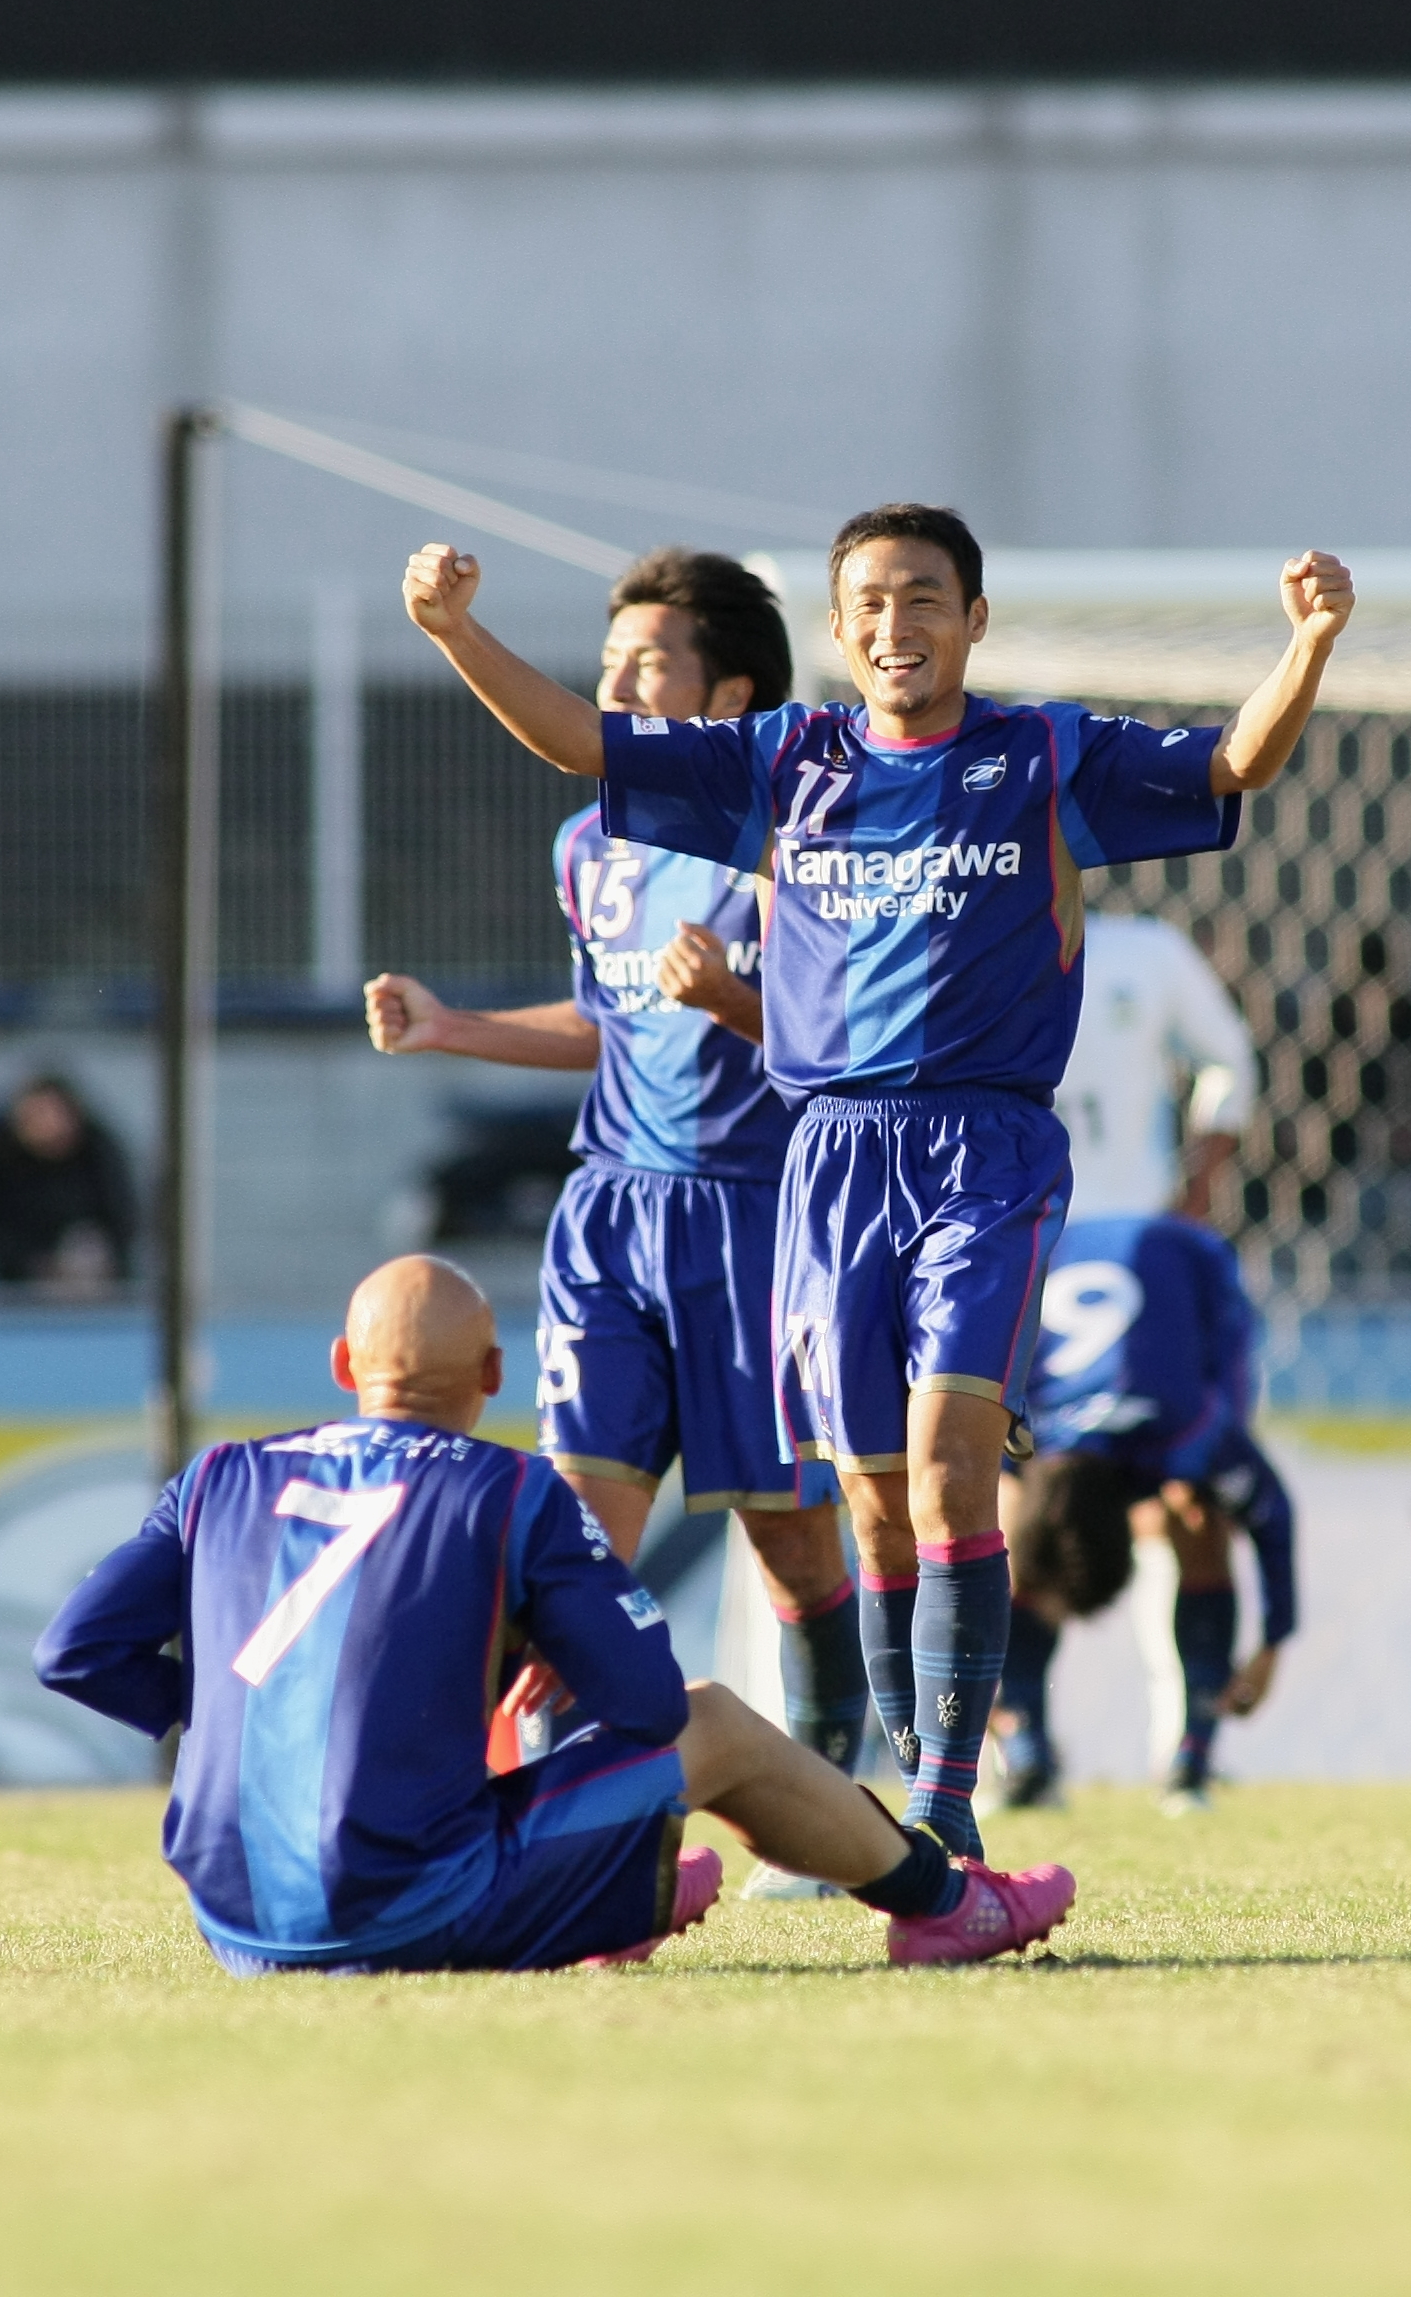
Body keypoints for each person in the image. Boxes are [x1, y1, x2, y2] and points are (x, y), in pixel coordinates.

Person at [403, 501, 1348, 1856]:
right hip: (830, 1157)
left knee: (953, 1471)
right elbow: (578, 741)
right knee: (869, 1508)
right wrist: (456, 632)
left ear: (975, 620)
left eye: (923, 598)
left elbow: (1234, 762)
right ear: (839, 632)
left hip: (986, 1153)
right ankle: (890, 1803)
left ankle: (945, 1811)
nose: (896, 624)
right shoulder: (785, 761)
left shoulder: (1043, 754)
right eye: (871, 604)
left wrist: (1307, 645)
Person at [33, 1254, 1074, 1974]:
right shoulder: (509, 1491)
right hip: (412, 1905)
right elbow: (649, 1704)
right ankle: (946, 1904)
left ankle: (616, 1889)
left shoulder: (217, 1477)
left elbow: (74, 1651)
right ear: (495, 1377)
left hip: (232, 1923)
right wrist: (536, 1637)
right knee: (716, 1721)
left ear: (345, 1368)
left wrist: (229, 1710)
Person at [363, 548, 869, 1900]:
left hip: (759, 1222)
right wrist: (455, 1027)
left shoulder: (801, 840)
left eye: (649, 665)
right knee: (573, 1551)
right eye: (610, 666)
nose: (618, 687)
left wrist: (739, 1003)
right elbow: (606, 1022)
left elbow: (853, 1046)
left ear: (730, 694)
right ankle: (565, 1831)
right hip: (612, 1219)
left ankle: (826, 1807)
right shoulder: (589, 844)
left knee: (792, 1540)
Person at [996, 1211, 1297, 1815]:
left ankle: (1192, 1757)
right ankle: (1026, 1755)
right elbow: (1276, 1516)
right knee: (1008, 1531)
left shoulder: (1189, 1429)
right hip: (1060, 1252)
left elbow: (1269, 1511)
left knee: (1198, 1512)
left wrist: (1272, 1643)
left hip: (1189, 1263)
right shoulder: (1017, 1424)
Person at [1056, 910, 1260, 1223]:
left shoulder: (1146, 951)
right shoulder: (1146, 950)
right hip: (1119, 1222)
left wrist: (1195, 1194)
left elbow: (1228, 1065)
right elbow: (1230, 1063)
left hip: (1119, 1222)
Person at [0, 1071, 137, 1294]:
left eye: (54, 1113)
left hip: (99, 1287)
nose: (47, 1124)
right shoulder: (3, 1161)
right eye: (38, 1115)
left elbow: (124, 1217)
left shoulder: (98, 1154)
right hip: (20, 1293)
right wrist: (39, 1265)